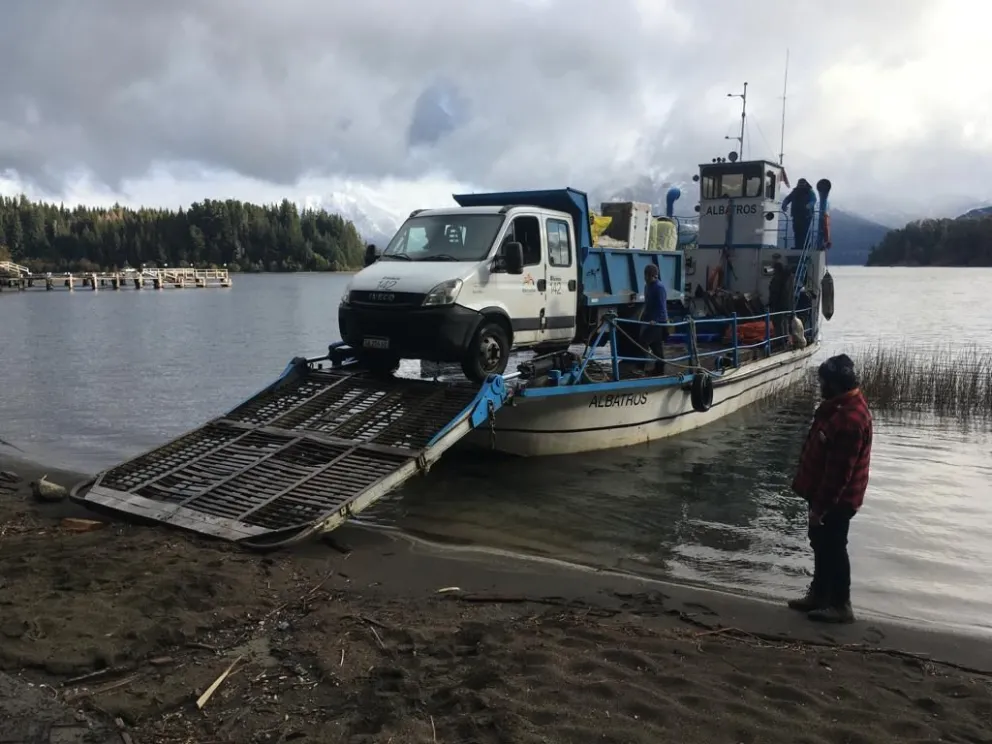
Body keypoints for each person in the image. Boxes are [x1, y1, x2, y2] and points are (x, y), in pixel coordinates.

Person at [788, 354, 873, 623]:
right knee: (821, 544)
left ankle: (841, 604)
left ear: (835, 384)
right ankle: (820, 594)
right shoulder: (837, 408)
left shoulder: (849, 420)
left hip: (837, 499)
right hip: (823, 494)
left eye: (824, 381)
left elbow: (838, 475)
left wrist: (820, 509)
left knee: (834, 546)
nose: (820, 385)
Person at [638, 263, 668, 374]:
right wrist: (642, 317)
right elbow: (647, 304)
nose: (646, 278)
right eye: (645, 276)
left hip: (657, 322)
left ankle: (641, 367)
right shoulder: (647, 287)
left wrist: (657, 321)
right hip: (649, 320)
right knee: (656, 346)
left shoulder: (659, 288)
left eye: (648, 276)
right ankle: (659, 369)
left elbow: (662, 307)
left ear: (654, 276)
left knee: (644, 341)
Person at [781, 178, 816, 250]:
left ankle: (805, 246)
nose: (801, 186)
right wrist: (784, 204)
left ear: (805, 184)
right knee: (797, 231)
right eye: (800, 185)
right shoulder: (795, 191)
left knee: (805, 231)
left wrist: (809, 205)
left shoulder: (809, 191)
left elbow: (814, 199)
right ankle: (798, 246)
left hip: (806, 215)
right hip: (796, 215)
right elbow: (788, 198)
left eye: (802, 184)